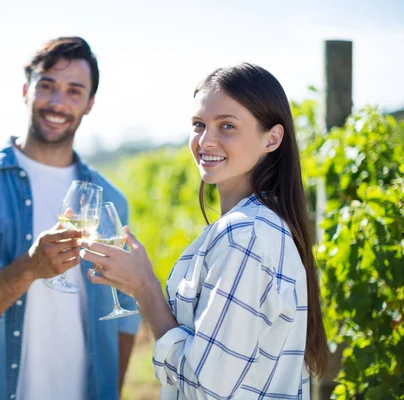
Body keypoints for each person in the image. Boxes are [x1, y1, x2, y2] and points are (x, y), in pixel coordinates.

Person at [78, 63, 329, 399]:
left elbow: (207, 388)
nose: (205, 141)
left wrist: (145, 288)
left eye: (227, 126)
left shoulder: (246, 237)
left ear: (272, 138)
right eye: (199, 125)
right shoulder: (261, 226)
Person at [0, 36, 140, 400]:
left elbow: (123, 318)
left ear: (90, 104)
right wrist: (28, 269)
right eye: (47, 86)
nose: (58, 102)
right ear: (26, 90)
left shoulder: (112, 200)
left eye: (74, 91)